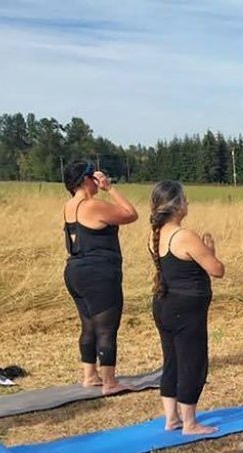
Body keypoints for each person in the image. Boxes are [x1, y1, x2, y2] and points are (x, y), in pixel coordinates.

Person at [148, 181, 224, 435]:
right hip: (186, 308)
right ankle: (189, 422)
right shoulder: (185, 236)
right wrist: (211, 251)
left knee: (171, 360)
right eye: (184, 199)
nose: (187, 203)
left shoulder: (155, 234)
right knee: (192, 361)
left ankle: (172, 418)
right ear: (176, 205)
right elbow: (216, 269)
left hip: (164, 304)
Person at [61, 160, 139, 393]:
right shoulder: (92, 205)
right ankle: (109, 382)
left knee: (88, 325)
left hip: (74, 270)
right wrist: (110, 188)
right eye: (94, 175)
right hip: (99, 273)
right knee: (106, 328)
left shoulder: (68, 206)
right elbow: (130, 214)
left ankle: (90, 375)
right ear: (87, 179)